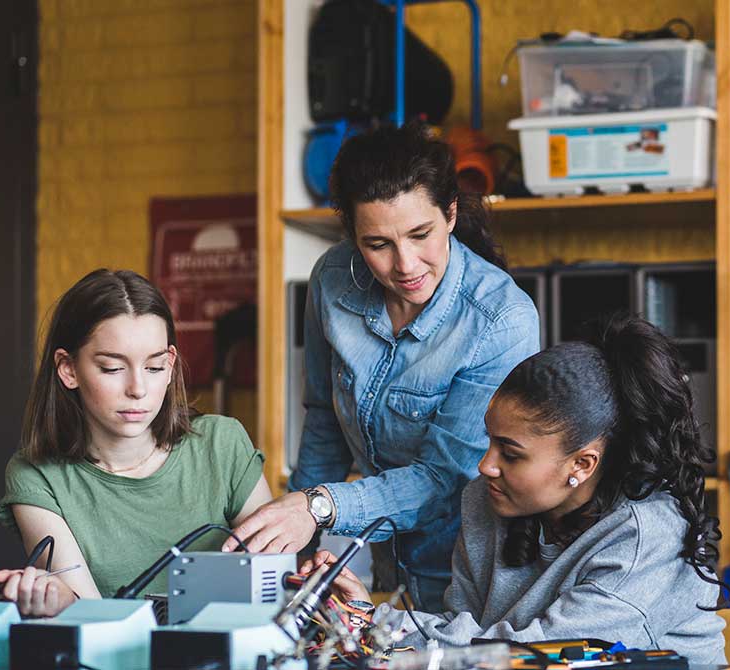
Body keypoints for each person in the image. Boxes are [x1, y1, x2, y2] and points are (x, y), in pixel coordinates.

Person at [222, 123, 541, 612]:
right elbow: (324, 419)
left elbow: (444, 480)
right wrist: (295, 551)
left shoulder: (501, 321)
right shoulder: (332, 281)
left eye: (421, 234)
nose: (406, 264)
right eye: (378, 245)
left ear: (450, 214)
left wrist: (318, 508)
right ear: (352, 236)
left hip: (470, 570)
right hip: (384, 559)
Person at [302, 314, 728, 665]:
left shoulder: (645, 534)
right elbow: (463, 633)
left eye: (511, 453)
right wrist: (362, 621)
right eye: (489, 441)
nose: (486, 465)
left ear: (582, 463)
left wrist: (381, 628)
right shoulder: (485, 502)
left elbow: (546, 657)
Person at [0, 269, 271, 617]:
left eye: (154, 368)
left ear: (170, 366)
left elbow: (271, 587)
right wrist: (60, 602)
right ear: (68, 369)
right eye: (112, 368)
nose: (138, 389)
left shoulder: (222, 445)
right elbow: (91, 616)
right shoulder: (37, 475)